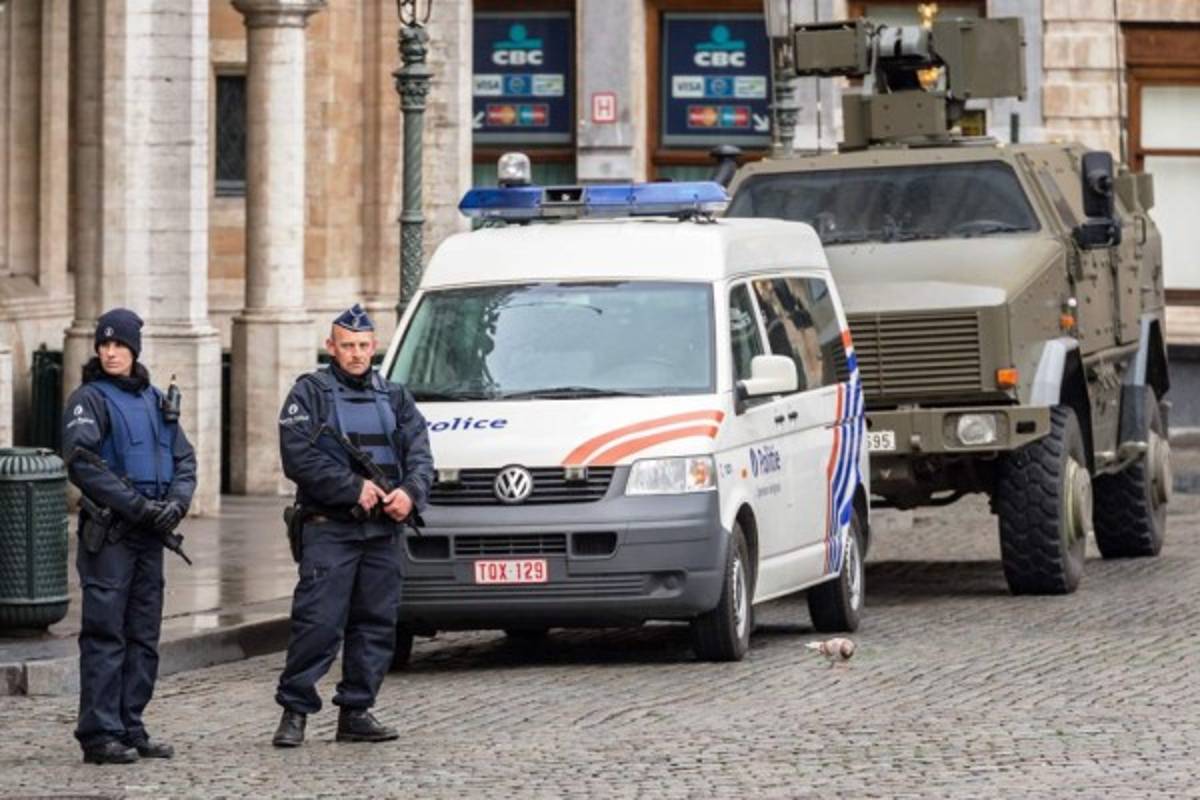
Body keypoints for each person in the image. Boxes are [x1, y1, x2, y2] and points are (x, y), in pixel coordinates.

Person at [272, 303, 433, 747]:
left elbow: (420, 454)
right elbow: (297, 457)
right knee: (318, 623)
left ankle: (357, 710)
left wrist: (410, 493)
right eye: (347, 346)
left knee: (375, 624)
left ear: (374, 347)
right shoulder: (310, 394)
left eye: (363, 345)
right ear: (331, 347)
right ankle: (295, 712)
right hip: (330, 528)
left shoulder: (395, 396)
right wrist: (351, 488)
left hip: (382, 532)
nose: (356, 353)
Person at [62, 308, 197, 765]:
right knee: (105, 634)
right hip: (113, 535)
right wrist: (138, 507)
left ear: (134, 349)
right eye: (105, 345)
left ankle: (130, 723)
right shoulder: (89, 400)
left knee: (143, 633)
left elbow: (185, 461)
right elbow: (82, 462)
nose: (111, 352)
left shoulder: (156, 400)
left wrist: (176, 505)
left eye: (119, 345)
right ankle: (99, 733)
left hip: (149, 537)